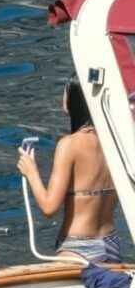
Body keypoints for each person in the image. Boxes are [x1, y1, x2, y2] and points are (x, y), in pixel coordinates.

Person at [16, 77, 120, 264]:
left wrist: (31, 172)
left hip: (78, 248)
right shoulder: (116, 140)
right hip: (110, 242)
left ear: (72, 97)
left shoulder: (69, 145)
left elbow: (49, 207)